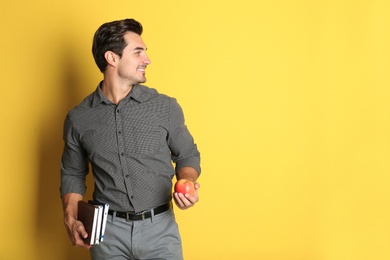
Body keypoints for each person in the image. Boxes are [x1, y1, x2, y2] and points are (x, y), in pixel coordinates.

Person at [60, 18, 201, 260]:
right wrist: (71, 218)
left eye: (145, 52)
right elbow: (72, 173)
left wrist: (187, 181)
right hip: (107, 236)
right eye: (138, 52)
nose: (147, 59)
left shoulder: (164, 107)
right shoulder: (79, 118)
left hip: (160, 231)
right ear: (112, 58)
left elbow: (187, 155)